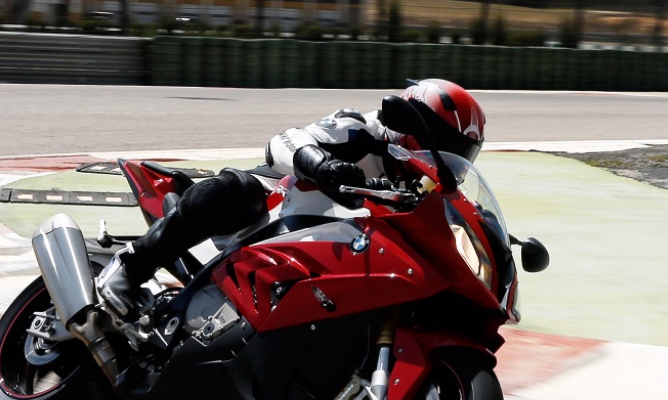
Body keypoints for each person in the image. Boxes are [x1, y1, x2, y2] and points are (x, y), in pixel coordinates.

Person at [93, 78, 488, 320]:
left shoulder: (425, 188)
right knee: (233, 189)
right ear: (411, 127)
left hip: (342, 252)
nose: (449, 160)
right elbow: (283, 141)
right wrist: (319, 163)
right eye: (444, 144)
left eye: (461, 153)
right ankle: (129, 266)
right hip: (275, 206)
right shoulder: (360, 130)